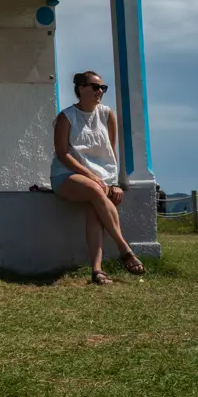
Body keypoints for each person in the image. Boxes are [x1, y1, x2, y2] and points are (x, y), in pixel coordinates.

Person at [49, 71, 146, 284]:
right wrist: (91, 176)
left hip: (99, 181)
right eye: (95, 87)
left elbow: (110, 151)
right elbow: (62, 154)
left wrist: (113, 182)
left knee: (95, 204)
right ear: (81, 88)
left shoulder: (106, 114)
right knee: (95, 190)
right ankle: (124, 249)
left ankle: (97, 270)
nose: (100, 91)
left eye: (103, 87)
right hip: (67, 176)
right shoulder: (66, 117)